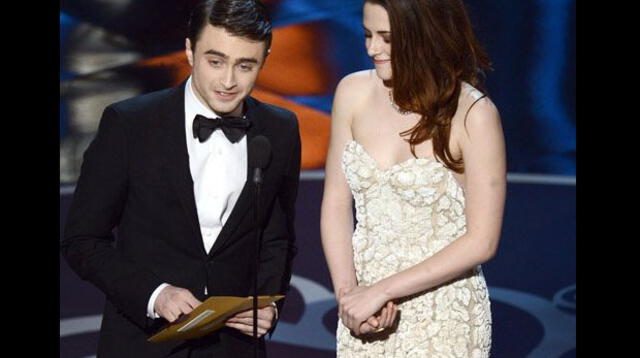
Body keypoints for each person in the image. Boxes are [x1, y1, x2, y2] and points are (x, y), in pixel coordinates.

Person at [61, 0, 300, 357]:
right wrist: (155, 294)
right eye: (215, 61)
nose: (228, 81)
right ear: (189, 50)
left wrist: (267, 304)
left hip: (233, 347)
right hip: (144, 341)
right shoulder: (130, 125)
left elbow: (277, 236)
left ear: (264, 60)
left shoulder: (280, 130)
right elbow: (82, 240)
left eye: (245, 65)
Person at [320, 0, 506, 356]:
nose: (372, 48)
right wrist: (349, 297)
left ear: (424, 34)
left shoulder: (473, 114)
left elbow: (482, 241)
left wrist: (382, 290)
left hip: (443, 319)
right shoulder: (352, 92)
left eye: (387, 38)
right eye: (368, 34)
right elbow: (336, 203)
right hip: (365, 315)